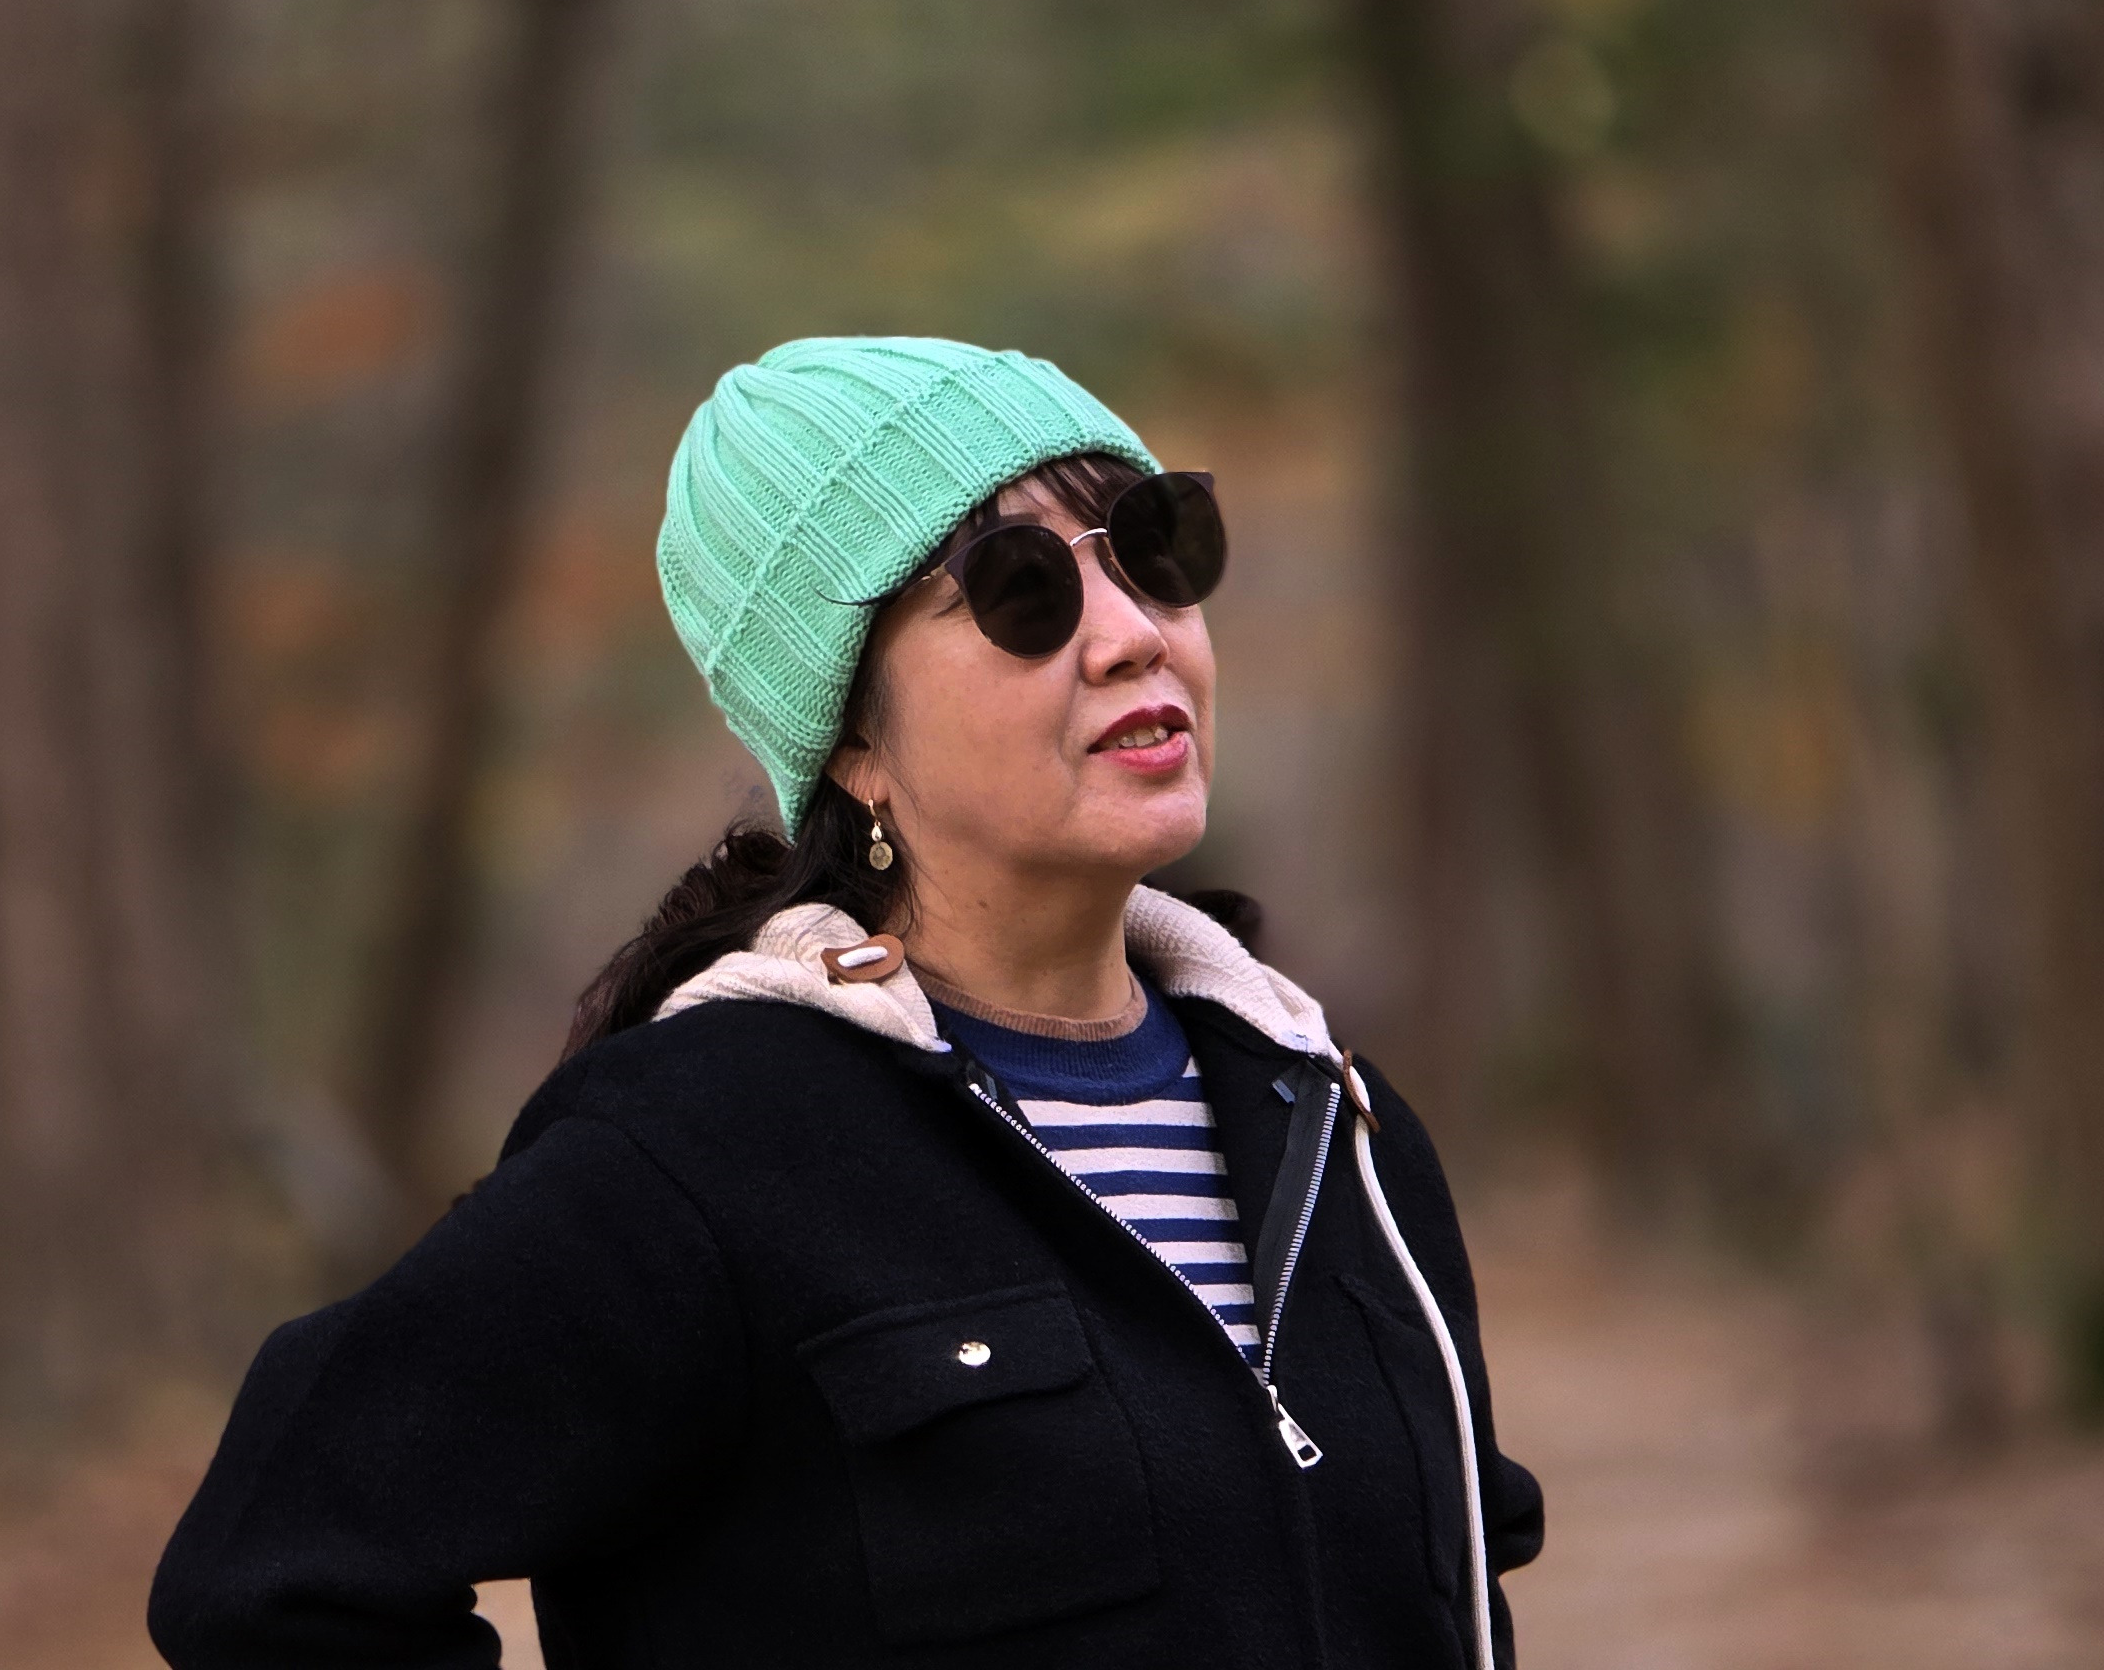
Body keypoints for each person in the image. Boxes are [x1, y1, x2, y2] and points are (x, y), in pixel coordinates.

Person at [150, 336, 1544, 1667]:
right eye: (1021, 592)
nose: (1132, 635)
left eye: (1153, 550)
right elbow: (280, 1581)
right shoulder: (697, 1153)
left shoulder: (1337, 1126)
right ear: (852, 742)